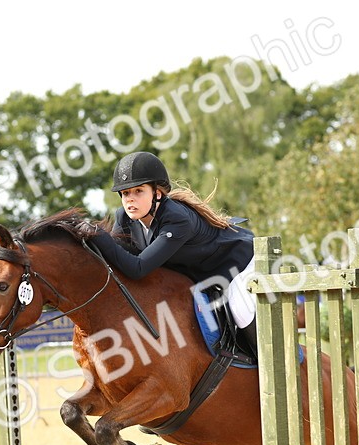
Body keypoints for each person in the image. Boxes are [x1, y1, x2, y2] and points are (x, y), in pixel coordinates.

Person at [87, 151, 258, 353]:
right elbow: (117, 259)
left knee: (240, 310)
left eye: (138, 191)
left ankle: (271, 365)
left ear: (157, 193)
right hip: (204, 274)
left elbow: (138, 268)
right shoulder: (124, 218)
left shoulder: (177, 218)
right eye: (125, 193)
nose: (130, 199)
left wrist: (99, 235)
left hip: (239, 263)